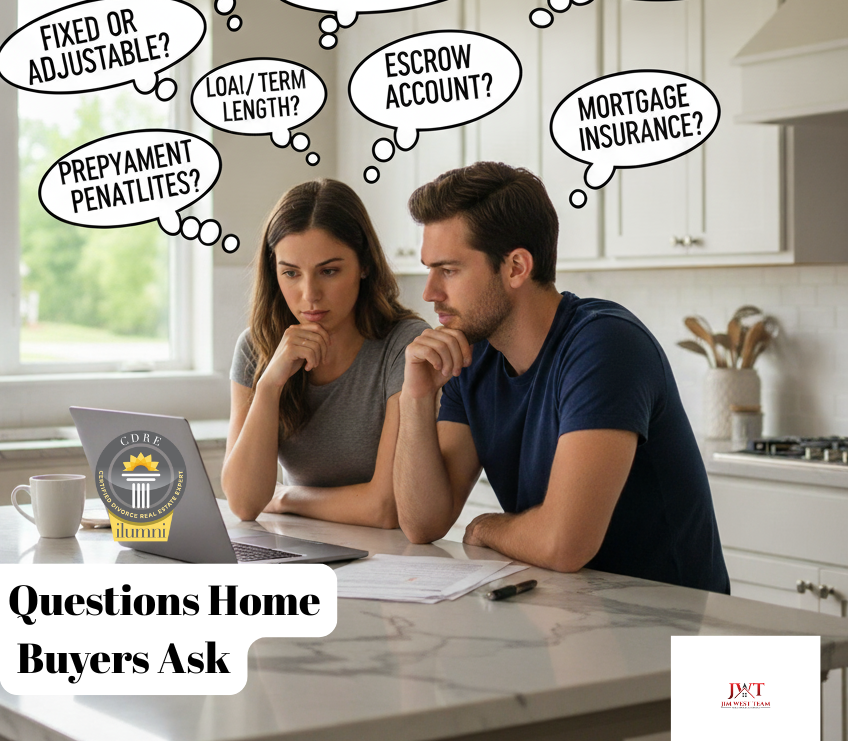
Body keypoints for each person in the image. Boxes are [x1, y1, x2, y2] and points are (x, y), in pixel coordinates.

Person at [393, 161, 729, 593]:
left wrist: (482, 528)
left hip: (675, 631)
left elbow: (564, 545)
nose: (430, 292)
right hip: (576, 614)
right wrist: (416, 397)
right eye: (429, 269)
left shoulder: (605, 345)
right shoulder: (473, 356)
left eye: (449, 270)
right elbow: (422, 523)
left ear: (516, 267)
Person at [225, 178, 430, 528]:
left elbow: (385, 508)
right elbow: (244, 503)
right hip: (298, 547)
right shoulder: (255, 347)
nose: (309, 295)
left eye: (329, 271)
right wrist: (270, 384)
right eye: (290, 273)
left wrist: (286, 496)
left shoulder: (404, 345)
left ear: (364, 265)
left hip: (385, 559)